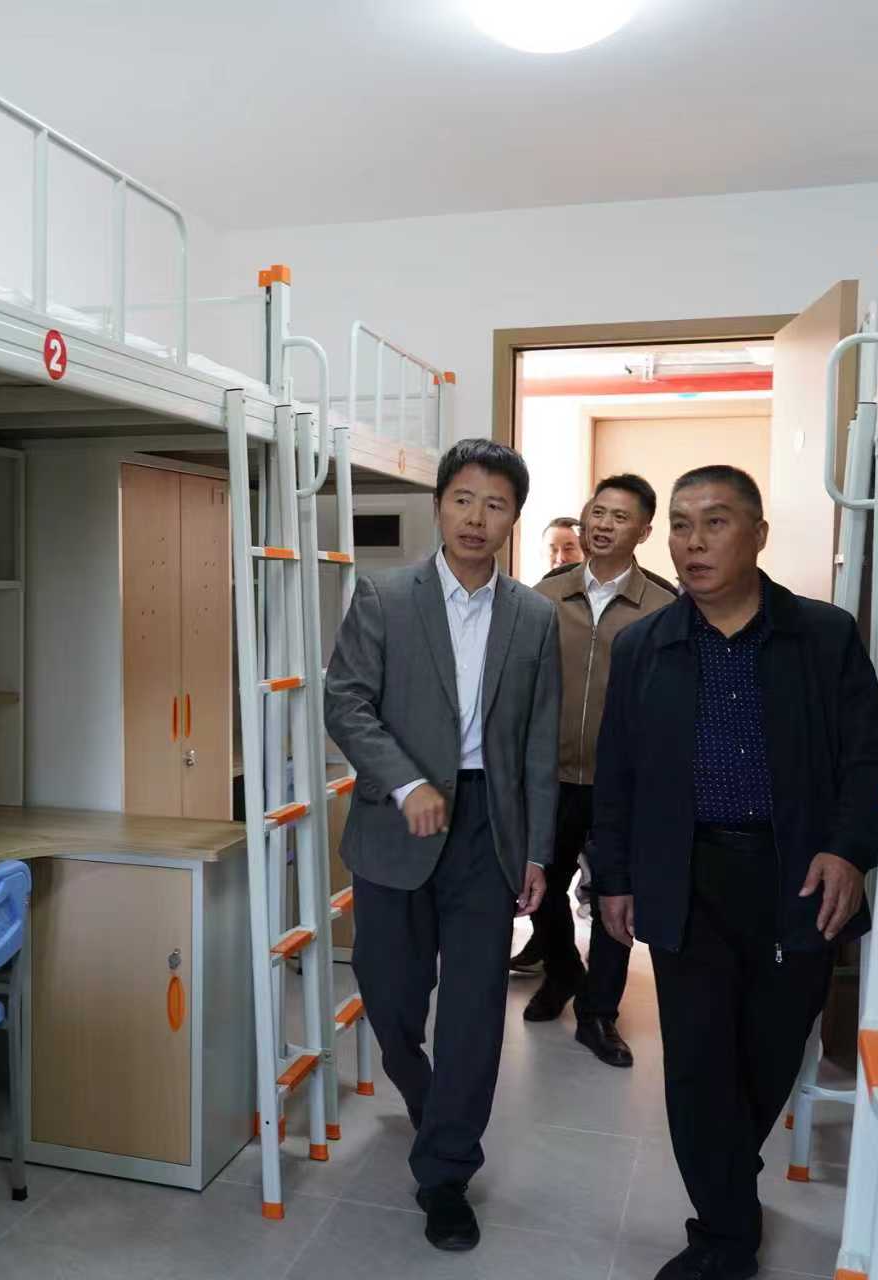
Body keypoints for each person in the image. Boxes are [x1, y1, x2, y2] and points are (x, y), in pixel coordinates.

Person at [592, 465, 878, 1280]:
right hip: (684, 874)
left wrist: (848, 848)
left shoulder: (822, 637)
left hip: (797, 877)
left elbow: (868, 756)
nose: (693, 542)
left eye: (715, 522)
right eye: (681, 525)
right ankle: (724, 1236)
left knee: (767, 1053)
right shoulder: (646, 646)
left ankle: (726, 1180)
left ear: (758, 534)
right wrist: (613, 876)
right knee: (696, 1064)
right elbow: (616, 774)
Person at [324, 438, 560, 1253]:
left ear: (513, 518)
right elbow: (347, 704)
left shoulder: (533, 617)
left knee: (473, 1013)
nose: (476, 517)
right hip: (398, 823)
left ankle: (447, 1171)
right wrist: (405, 783)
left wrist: (538, 853)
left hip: (489, 831)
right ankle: (431, 1103)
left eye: (495, 504)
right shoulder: (384, 596)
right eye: (463, 499)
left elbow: (538, 745)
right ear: (439, 506)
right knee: (389, 996)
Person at [522, 474, 675, 1074]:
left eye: (620, 517)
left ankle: (598, 1012)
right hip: (550, 775)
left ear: (644, 530)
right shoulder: (545, 595)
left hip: (623, 784)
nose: (604, 525)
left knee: (616, 895)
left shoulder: (664, 606)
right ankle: (563, 971)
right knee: (538, 886)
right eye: (597, 513)